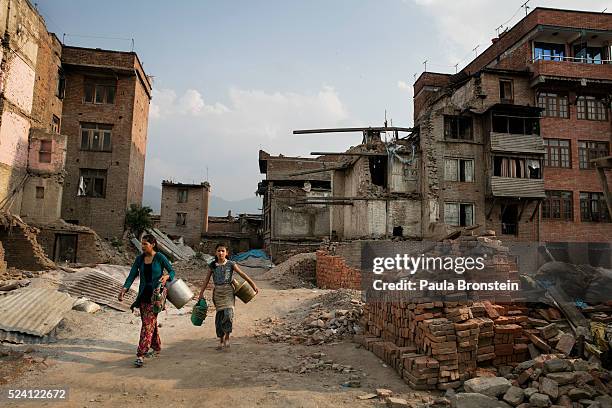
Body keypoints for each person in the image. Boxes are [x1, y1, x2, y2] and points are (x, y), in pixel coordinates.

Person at [118, 234, 175, 367]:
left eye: (145, 244)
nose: (142, 246)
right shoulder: (139, 259)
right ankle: (156, 346)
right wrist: (124, 290)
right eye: (142, 244)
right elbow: (132, 275)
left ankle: (141, 354)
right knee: (149, 323)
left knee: (147, 325)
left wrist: (166, 277)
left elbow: (172, 271)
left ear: (153, 244)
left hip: (156, 297)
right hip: (143, 295)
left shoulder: (160, 257)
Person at [198, 243, 258, 350]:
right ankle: (220, 339)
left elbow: (242, 274)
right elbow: (206, 280)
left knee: (228, 314)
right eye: (219, 251)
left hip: (229, 292)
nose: (221, 253)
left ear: (227, 253)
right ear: (215, 253)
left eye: (223, 251)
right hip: (218, 293)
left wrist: (253, 285)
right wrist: (201, 293)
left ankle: (227, 337)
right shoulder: (212, 265)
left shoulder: (231, 264)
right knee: (220, 315)